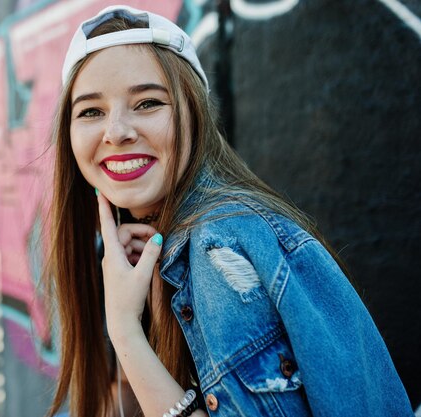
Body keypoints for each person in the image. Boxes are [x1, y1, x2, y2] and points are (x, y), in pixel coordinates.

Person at [45, 5, 413, 417]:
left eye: (148, 103)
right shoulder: (144, 254)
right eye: (91, 111)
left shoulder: (221, 249)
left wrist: (127, 333)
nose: (116, 132)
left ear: (195, 114)